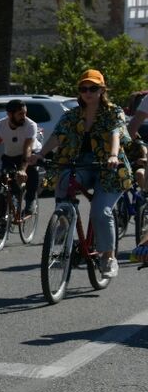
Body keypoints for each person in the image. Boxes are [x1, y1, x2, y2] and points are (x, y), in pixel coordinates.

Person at [43, 69, 130, 279]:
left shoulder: (113, 112)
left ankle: (108, 257)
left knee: (101, 212)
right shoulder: (71, 115)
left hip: (108, 167)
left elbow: (116, 133)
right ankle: (63, 229)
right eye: (83, 88)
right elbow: (57, 136)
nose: (88, 92)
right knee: (64, 183)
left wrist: (112, 155)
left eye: (93, 88)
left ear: (102, 90)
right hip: (79, 165)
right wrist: (38, 154)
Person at [0, 99, 42, 218]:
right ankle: (4, 218)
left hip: (29, 152)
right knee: (7, 185)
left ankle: (30, 201)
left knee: (31, 172)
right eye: (20, 114)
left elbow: (27, 149)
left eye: (25, 113)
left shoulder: (30, 125)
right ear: (10, 114)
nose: (24, 117)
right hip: (10, 155)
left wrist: (23, 169)